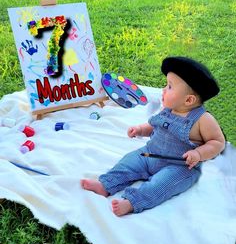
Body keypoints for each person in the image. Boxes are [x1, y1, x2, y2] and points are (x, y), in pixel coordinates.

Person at [81, 56, 225, 216]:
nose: (163, 89)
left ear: (189, 100)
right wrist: (141, 130)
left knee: (161, 185)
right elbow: (154, 125)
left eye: (169, 87)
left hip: (179, 166)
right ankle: (106, 185)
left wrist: (198, 153)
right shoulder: (169, 109)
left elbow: (217, 142)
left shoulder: (203, 119)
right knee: (128, 162)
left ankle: (131, 202)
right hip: (149, 154)